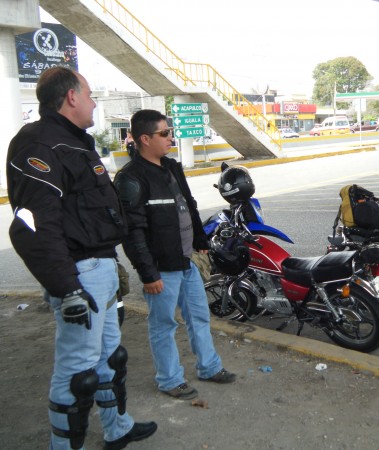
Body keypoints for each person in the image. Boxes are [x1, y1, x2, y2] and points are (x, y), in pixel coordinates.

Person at [6, 67, 157, 449]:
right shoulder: (40, 145)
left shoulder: (76, 142)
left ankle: (117, 428)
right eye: (89, 95)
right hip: (79, 274)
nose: (93, 103)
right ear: (71, 97)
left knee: (112, 359)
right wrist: (67, 288)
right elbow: (34, 225)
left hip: (100, 266)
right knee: (78, 372)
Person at [114, 109, 236, 401]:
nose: (171, 137)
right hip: (161, 270)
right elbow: (133, 233)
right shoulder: (130, 179)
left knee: (199, 316)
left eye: (170, 132)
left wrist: (199, 238)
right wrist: (148, 274)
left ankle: (209, 367)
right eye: (165, 133)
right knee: (163, 325)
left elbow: (188, 205)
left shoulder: (170, 167)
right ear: (145, 138)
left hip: (186, 261)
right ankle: (169, 379)